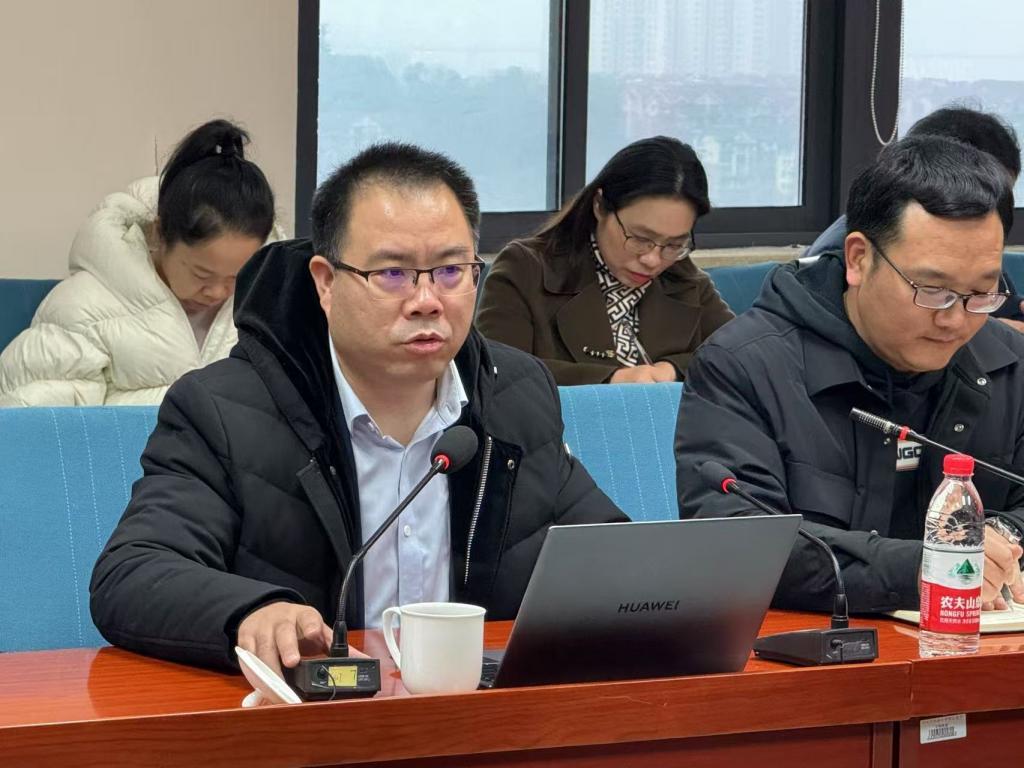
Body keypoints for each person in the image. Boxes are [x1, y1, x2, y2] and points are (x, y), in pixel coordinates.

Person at [90, 142, 625, 677]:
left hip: (476, 706)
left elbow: (613, 555)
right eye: (392, 273)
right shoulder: (225, 409)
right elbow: (133, 574)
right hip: (312, 713)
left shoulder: (515, 394)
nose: (426, 300)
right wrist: (253, 611)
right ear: (326, 283)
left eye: (450, 271)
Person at [677, 135, 1024, 615]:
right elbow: (738, 544)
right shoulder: (745, 365)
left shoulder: (1007, 361)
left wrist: (1003, 541)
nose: (955, 320)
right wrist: (924, 568)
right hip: (813, 649)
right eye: (932, 289)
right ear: (859, 258)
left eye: (981, 294)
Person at [0, 119, 279, 406]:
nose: (218, 292)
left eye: (237, 277)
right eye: (202, 275)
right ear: (160, 234)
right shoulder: (86, 309)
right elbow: (31, 412)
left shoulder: (274, 311)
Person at [476, 136, 733, 385]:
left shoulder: (686, 279)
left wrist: (676, 369)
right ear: (599, 205)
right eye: (640, 238)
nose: (653, 260)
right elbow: (497, 371)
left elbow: (741, 356)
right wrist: (611, 381)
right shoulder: (525, 269)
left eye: (674, 244)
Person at [805, 105, 1024, 329]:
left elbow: (1008, 309)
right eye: (932, 289)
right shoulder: (835, 258)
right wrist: (993, 333)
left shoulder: (969, 242)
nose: (990, 208)